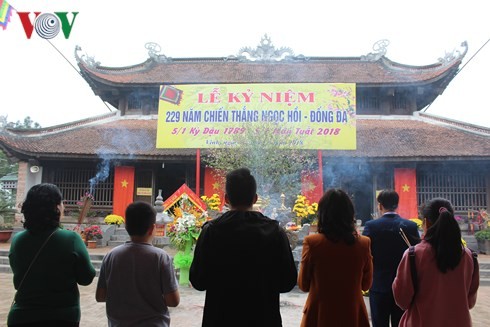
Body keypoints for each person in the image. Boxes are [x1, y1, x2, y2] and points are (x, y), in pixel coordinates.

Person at [190, 168, 297, 327]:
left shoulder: (211, 231)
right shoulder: (274, 231)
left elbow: (198, 281)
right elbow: (287, 282)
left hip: (220, 318)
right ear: (255, 198)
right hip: (264, 319)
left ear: (226, 199)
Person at [8, 183, 96, 327]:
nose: (64, 207)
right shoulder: (71, 238)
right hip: (61, 317)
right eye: (61, 203)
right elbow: (86, 278)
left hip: (22, 316)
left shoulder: (17, 240)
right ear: (55, 207)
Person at [392, 198, 479, 326]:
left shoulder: (413, 255)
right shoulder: (470, 256)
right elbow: (470, 303)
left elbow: (402, 300)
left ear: (425, 222)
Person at [96, 201, 180, 326]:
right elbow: (173, 301)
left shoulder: (111, 256)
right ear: (152, 228)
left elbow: (100, 296)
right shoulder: (161, 257)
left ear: (126, 227)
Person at [298, 188, 373, 327]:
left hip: (319, 315)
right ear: (350, 214)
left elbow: (303, 285)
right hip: (353, 315)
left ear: (322, 214)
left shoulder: (312, 243)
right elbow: (366, 284)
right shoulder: (363, 243)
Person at [362, 189, 420, 327]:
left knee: (379, 323)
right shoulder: (410, 226)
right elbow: (418, 252)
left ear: (380, 205)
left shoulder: (371, 226)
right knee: (400, 323)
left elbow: (364, 253)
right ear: (396, 204)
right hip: (404, 284)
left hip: (379, 282)